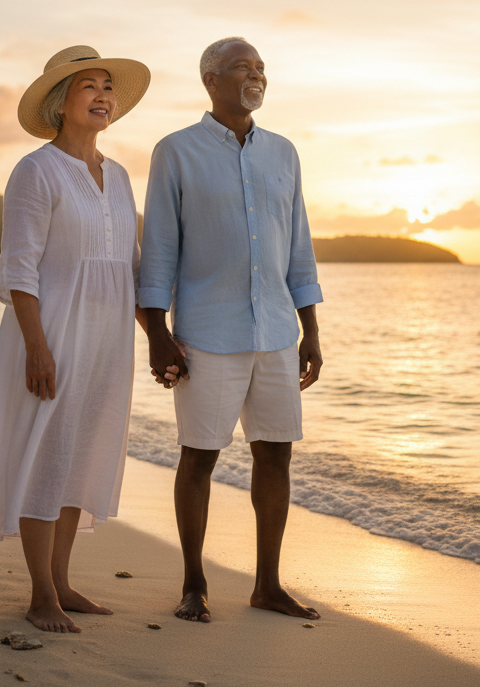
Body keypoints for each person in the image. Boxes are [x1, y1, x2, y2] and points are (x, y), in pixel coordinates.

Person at [0, 45, 152, 634]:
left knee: (78, 456)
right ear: (60, 103)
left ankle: (63, 582)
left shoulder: (117, 177)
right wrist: (37, 347)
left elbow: (130, 267)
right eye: (88, 85)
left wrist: (161, 336)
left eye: (107, 87)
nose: (102, 95)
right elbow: (19, 269)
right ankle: (41, 593)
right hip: (53, 334)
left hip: (108, 340)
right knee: (44, 456)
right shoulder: (35, 171)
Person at [138, 36, 324, 623]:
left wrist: (310, 330)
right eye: (244, 67)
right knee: (199, 458)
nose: (257, 75)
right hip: (206, 335)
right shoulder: (176, 152)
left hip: (275, 332)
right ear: (210, 79)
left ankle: (267, 585)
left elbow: (299, 249)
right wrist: (157, 334)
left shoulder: (285, 153)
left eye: (262, 67)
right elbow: (160, 251)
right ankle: (194, 584)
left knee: (276, 457)